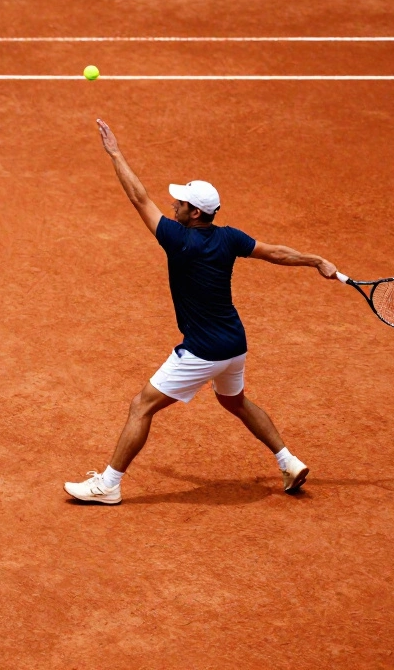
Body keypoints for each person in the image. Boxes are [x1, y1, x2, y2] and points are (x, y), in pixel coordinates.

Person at [64, 119, 338, 505]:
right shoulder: (230, 237)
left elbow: (138, 198)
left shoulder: (178, 241)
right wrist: (316, 261)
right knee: (235, 402)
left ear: (194, 214)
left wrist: (114, 153)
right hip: (234, 344)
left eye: (179, 204)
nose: (173, 206)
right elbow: (276, 252)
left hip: (204, 351)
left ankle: (109, 484)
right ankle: (288, 460)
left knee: (141, 406)